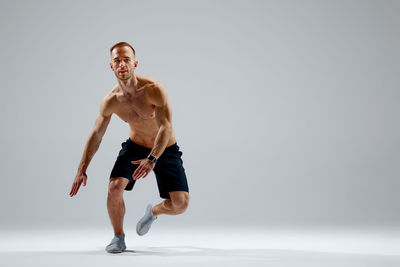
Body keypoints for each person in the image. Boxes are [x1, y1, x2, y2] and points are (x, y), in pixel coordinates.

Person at [68, 42, 190, 253]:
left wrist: (152, 158)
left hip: (165, 148)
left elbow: (165, 127)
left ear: (135, 63)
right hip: (135, 147)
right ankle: (118, 237)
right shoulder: (110, 101)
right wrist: (82, 168)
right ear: (111, 66)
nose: (122, 64)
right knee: (114, 187)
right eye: (117, 60)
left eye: (126, 59)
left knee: (180, 204)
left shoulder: (154, 90)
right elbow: (97, 134)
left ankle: (153, 212)